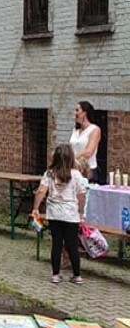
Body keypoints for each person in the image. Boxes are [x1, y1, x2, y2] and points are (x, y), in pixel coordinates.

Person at [32, 145, 88, 285]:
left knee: (56, 244)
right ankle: (77, 275)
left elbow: (41, 191)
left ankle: (56, 275)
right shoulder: (76, 175)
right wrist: (81, 211)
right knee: (72, 245)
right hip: (70, 214)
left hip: (54, 213)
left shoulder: (49, 173)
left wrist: (36, 208)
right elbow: (81, 195)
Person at [70, 101, 102, 183]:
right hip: (74, 169)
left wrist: (70, 159)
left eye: (77, 110)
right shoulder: (75, 130)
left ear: (85, 112)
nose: (75, 113)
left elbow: (88, 152)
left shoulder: (94, 129)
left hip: (88, 170)